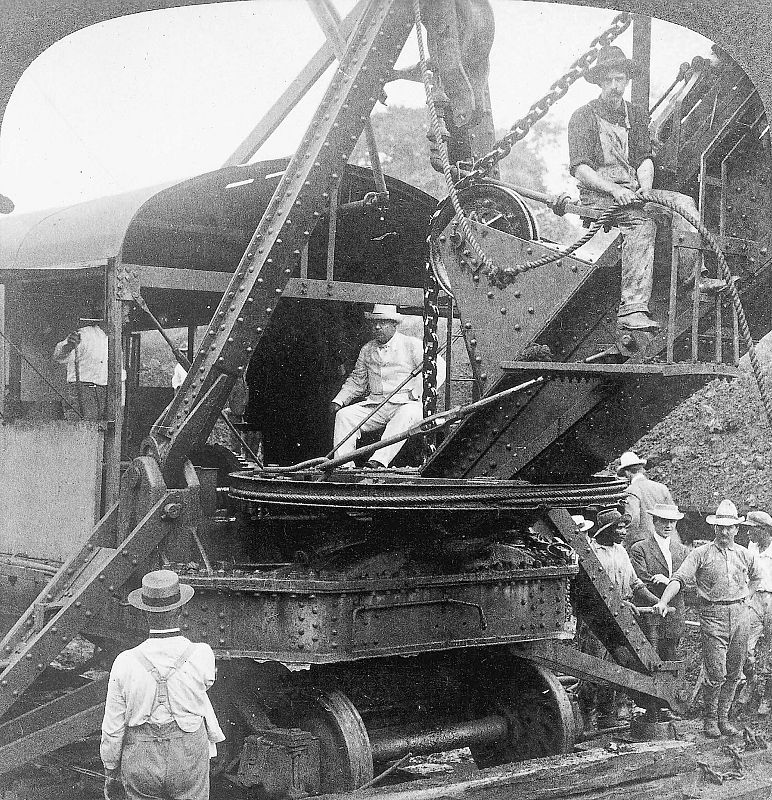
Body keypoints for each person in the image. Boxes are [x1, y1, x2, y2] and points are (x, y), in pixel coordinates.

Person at [568, 45, 702, 330]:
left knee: (684, 204)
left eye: (620, 79)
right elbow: (581, 169)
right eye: (609, 80)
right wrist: (615, 190)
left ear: (627, 80)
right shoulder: (583, 116)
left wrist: (646, 189)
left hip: (632, 190)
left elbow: (644, 158)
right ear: (600, 81)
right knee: (641, 223)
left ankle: (695, 281)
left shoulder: (636, 115)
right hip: (598, 195)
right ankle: (632, 310)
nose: (615, 86)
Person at [101, 570, 225, 799]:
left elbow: (112, 727)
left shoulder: (124, 662)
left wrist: (110, 769)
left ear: (143, 614)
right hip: (187, 757)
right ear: (180, 610)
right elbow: (206, 684)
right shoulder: (202, 654)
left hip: (141, 758)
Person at [655, 500, 759, 738]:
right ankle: (710, 719)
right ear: (714, 528)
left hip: (740, 616)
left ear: (736, 529)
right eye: (720, 527)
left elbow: (756, 578)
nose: (724, 531)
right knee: (716, 672)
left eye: (729, 527)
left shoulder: (744, 554)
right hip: (713, 616)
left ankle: (724, 718)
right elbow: (679, 578)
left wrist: (747, 598)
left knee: (735, 671)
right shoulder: (701, 554)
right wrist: (663, 601)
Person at [330, 305, 444, 468]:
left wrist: (417, 392)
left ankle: (378, 462)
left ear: (394, 325)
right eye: (375, 323)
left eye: (382, 323)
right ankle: (343, 465)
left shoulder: (411, 344)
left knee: (407, 414)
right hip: (376, 405)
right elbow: (357, 380)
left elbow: (438, 368)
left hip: (406, 404)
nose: (377, 327)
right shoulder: (367, 349)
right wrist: (339, 400)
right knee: (345, 415)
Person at [576, 507, 658, 729]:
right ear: (606, 530)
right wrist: (621, 604)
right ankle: (587, 720)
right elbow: (591, 593)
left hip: (622, 619)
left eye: (624, 527)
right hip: (597, 620)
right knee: (592, 666)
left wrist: (656, 601)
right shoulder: (592, 553)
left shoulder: (621, 551)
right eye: (619, 527)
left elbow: (635, 583)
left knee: (618, 666)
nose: (623, 531)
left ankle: (607, 716)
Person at [743, 510, 772, 714]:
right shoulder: (751, 547)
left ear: (763, 531)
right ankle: (751, 682)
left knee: (770, 651)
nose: (748, 534)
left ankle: (767, 696)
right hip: (753, 598)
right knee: (745, 646)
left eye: (751, 530)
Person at [617, 451, 676, 550]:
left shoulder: (631, 491)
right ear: (641, 469)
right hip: (667, 543)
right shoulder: (661, 487)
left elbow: (633, 521)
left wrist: (624, 545)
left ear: (627, 473)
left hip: (645, 546)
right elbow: (674, 515)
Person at [53, 316, 109, 420]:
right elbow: (59, 356)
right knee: (83, 428)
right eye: (125, 316)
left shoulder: (113, 339)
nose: (127, 320)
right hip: (83, 391)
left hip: (105, 393)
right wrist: (69, 346)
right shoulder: (85, 335)